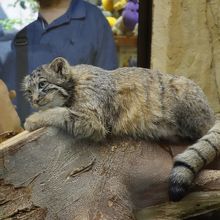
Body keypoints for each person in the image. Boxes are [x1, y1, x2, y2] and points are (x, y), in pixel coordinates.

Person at [1, 0, 118, 123]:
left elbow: (110, 94)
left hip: (77, 136)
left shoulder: (94, 21)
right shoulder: (22, 32)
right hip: (22, 136)